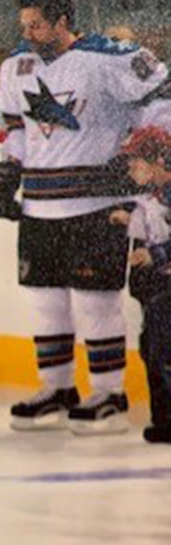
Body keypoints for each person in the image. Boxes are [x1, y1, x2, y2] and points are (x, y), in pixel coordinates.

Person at [0, 0, 170, 434]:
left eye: (37, 25)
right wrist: (8, 168)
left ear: (62, 22)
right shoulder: (16, 66)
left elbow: (163, 97)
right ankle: (57, 387)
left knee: (95, 302)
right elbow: (17, 126)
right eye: (24, 24)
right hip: (39, 206)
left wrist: (142, 150)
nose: (27, 32)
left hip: (98, 206)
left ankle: (108, 391)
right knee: (46, 302)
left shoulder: (110, 58)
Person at [113, 127, 171, 444]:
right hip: (157, 288)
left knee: (162, 351)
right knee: (153, 348)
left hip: (165, 287)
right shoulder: (151, 196)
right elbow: (152, 225)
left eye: (136, 163)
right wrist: (129, 221)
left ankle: (166, 418)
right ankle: (162, 418)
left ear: (156, 162)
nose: (130, 169)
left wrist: (155, 254)